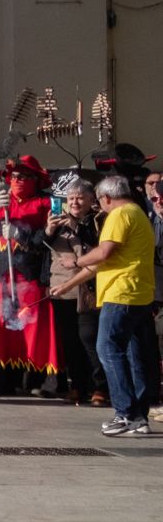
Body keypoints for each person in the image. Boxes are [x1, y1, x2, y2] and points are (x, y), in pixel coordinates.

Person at [56, 174, 155, 436]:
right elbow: (103, 263)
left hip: (121, 294)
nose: (101, 207)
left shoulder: (119, 216)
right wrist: (66, 286)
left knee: (108, 350)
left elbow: (104, 253)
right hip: (139, 294)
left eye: (100, 201)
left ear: (106, 197)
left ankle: (125, 414)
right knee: (136, 357)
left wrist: (75, 261)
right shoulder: (139, 214)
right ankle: (138, 417)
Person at [0, 154, 58, 389]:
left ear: (36, 179)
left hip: (29, 276)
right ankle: (2, 379)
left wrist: (20, 235)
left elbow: (47, 240)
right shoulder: (2, 200)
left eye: (25, 176)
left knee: (29, 328)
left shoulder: (45, 204)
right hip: (0, 276)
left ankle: (31, 380)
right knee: (1, 329)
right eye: (15, 176)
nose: (19, 180)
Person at [45, 177, 105, 405]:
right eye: (70, 198)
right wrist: (49, 230)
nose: (75, 202)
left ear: (91, 199)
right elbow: (38, 245)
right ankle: (78, 386)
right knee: (70, 341)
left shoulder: (99, 221)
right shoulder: (58, 221)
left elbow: (101, 251)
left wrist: (79, 261)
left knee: (89, 338)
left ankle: (100, 387)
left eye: (80, 198)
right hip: (63, 288)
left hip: (90, 287)